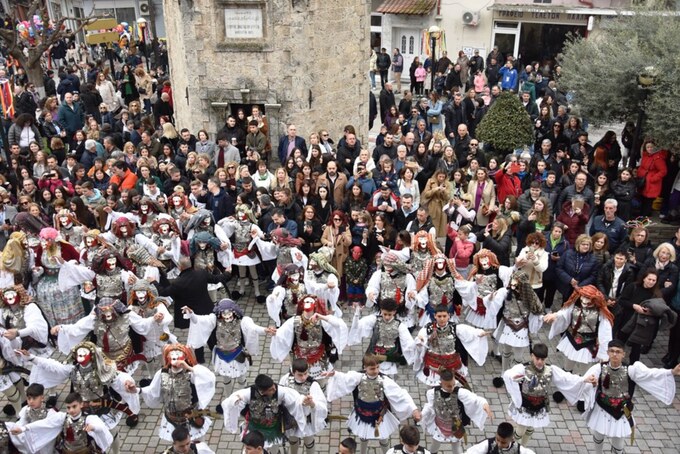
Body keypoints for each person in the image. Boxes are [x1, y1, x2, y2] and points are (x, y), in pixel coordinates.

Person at [580, 339, 680, 454]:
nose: (614, 354)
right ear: (607, 353)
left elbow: (650, 374)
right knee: (598, 436)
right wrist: (590, 382)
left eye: (618, 352)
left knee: (618, 445)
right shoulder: (599, 368)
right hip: (602, 409)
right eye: (612, 351)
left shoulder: (631, 370)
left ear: (623, 354)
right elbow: (585, 380)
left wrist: (670, 372)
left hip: (622, 412)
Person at [325, 353, 421, 454]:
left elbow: (400, 394)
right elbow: (345, 378)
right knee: (363, 437)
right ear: (365, 368)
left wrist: (414, 409)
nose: (375, 371)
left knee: (383, 438)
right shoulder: (358, 377)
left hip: (379, 416)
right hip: (361, 414)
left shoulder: (384, 381)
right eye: (372, 368)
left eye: (377, 367)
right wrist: (335, 374)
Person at [501, 343, 585, 447]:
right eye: (537, 358)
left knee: (530, 428)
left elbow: (566, 378)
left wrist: (584, 379)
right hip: (525, 404)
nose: (540, 361)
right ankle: (514, 448)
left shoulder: (550, 370)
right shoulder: (523, 368)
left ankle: (523, 448)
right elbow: (509, 374)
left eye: (543, 359)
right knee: (521, 430)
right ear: (532, 356)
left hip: (539, 405)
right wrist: (516, 378)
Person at [157, 256, 231, 363]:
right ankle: (215, 351)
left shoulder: (178, 282)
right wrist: (227, 273)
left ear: (180, 267)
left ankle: (200, 359)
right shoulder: (201, 273)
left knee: (197, 335)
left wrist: (154, 282)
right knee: (211, 331)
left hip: (193, 314)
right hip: (206, 309)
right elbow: (216, 279)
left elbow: (163, 292)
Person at [140, 343, 216, 442]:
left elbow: (209, 379)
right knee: (178, 447)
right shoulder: (162, 373)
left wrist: (189, 368)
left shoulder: (192, 374)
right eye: (172, 358)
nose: (176, 362)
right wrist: (138, 390)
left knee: (198, 445)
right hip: (172, 419)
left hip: (192, 418)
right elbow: (153, 390)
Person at [222, 373, 307, 453]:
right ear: (262, 391)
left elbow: (294, 398)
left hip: (273, 429)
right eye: (270, 389)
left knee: (274, 450)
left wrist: (303, 401)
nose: (274, 389)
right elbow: (233, 400)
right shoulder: (249, 393)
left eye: (273, 386)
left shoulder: (279, 391)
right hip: (255, 429)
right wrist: (235, 400)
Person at [278, 358, 328, 454]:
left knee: (309, 442)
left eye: (305, 373)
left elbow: (321, 403)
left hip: (306, 421)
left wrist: (312, 404)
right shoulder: (285, 380)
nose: (304, 377)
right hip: (291, 419)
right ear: (293, 372)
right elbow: (280, 396)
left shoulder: (313, 384)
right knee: (292, 441)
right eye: (300, 375)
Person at [463, 422, 536, 454]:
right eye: (497, 439)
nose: (499, 444)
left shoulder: (518, 449)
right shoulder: (488, 444)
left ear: (512, 439)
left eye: (503, 442)